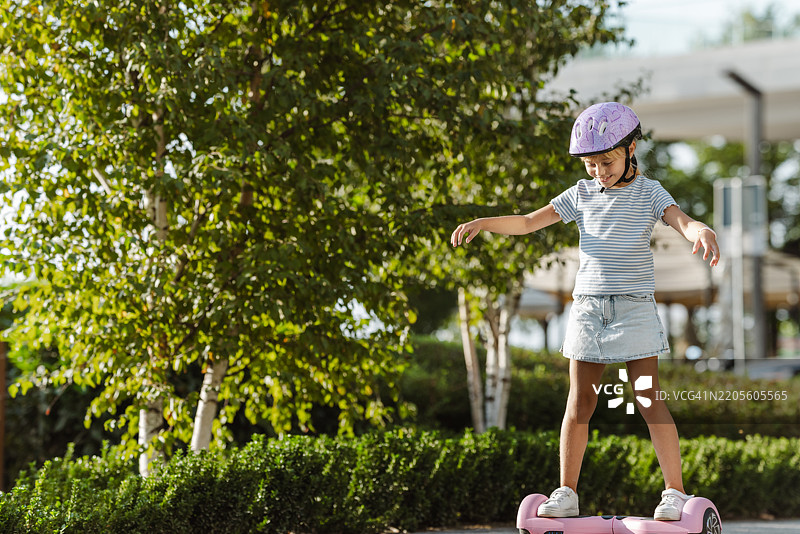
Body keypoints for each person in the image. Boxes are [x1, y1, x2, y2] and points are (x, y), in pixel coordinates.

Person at [450, 102, 720, 521]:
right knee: (579, 403)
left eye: (606, 161)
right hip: (589, 310)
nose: (599, 171)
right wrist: (484, 223)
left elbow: (679, 220)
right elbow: (526, 222)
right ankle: (567, 492)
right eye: (592, 164)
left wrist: (699, 229)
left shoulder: (650, 192)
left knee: (648, 398)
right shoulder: (580, 194)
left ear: (632, 148)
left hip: (633, 309)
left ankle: (675, 493)